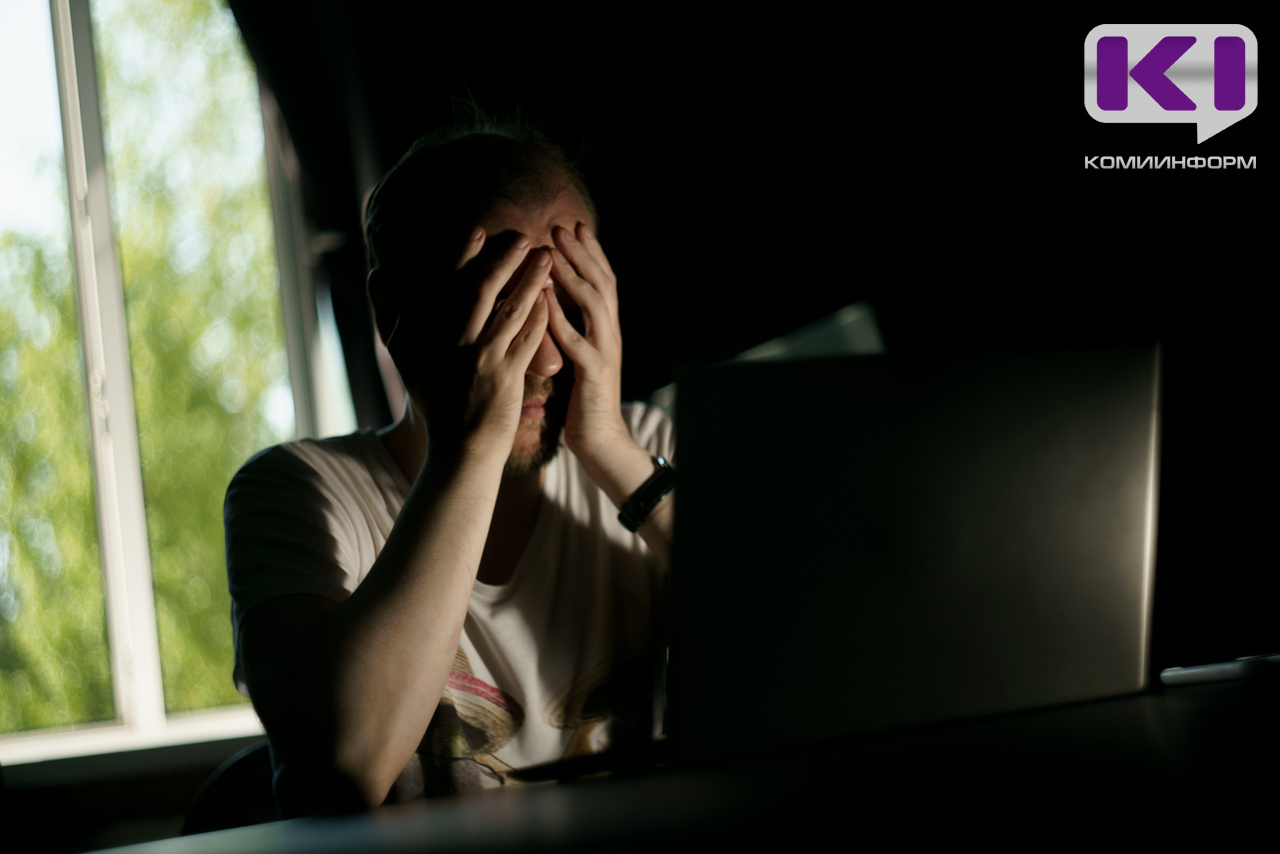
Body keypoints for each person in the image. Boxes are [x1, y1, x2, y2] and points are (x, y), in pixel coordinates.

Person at [223, 123, 675, 815]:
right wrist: (471, 446)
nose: (548, 359)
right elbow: (347, 768)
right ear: (393, 314)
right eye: (503, 311)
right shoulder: (296, 492)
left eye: (568, 308)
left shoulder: (646, 449)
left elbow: (802, 646)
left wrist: (613, 446)